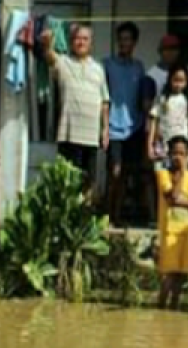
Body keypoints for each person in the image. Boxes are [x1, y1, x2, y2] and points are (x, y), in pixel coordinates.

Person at [41, 24, 109, 193]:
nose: (81, 42)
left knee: (89, 182)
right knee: (67, 181)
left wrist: (105, 129)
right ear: (71, 42)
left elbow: (104, 101)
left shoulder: (98, 68)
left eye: (85, 39)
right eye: (77, 38)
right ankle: (68, 216)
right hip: (69, 135)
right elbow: (49, 56)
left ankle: (83, 217)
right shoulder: (63, 63)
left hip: (91, 136)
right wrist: (47, 43)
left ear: (91, 43)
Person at [103, 21, 147, 227]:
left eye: (128, 39)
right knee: (115, 172)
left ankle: (118, 215)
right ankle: (107, 214)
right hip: (113, 127)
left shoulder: (139, 67)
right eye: (121, 39)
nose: (124, 43)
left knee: (129, 173)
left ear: (134, 43)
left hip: (134, 127)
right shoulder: (107, 65)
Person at [156, 136, 188, 311]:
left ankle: (173, 308)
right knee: (168, 275)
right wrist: (182, 173)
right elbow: (172, 197)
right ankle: (160, 308)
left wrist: (182, 199)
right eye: (175, 153)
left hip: (186, 232)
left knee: (181, 274)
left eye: (182, 153)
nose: (178, 157)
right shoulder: (163, 174)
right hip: (169, 231)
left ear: (187, 154)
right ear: (169, 154)